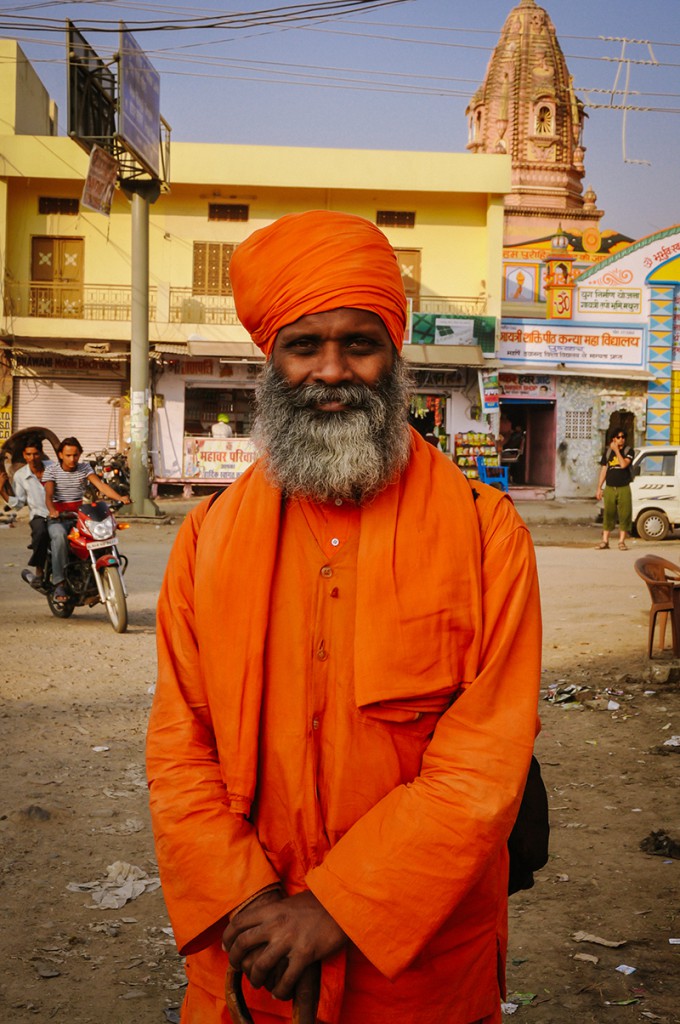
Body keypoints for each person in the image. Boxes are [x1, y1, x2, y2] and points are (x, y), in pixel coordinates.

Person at [147, 210, 542, 1024]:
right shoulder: (208, 537)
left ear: (395, 358)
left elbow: (483, 764)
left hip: (416, 970)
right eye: (303, 346)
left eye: (359, 344)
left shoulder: (483, 530)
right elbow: (180, 743)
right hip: (250, 951)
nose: (332, 371)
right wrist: (247, 899)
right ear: (270, 360)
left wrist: (336, 908)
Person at [43, 436, 130, 603]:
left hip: (79, 515)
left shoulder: (84, 468)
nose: (72, 459)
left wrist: (120, 498)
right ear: (60, 455)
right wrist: (52, 510)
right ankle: (59, 583)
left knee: (99, 537)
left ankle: (96, 576)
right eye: (68, 455)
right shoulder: (52, 470)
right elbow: (48, 495)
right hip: (59, 517)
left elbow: (101, 485)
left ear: (80, 454)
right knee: (59, 537)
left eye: (75, 455)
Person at [0, 434, 54, 588]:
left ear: (41, 453)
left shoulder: (53, 467)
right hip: (39, 515)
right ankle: (39, 571)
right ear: (24, 455)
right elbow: (19, 504)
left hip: (59, 513)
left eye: (36, 454)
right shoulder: (20, 475)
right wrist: (2, 490)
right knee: (40, 532)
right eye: (28, 454)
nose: (32, 458)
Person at [595, 427, 635, 550]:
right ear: (613, 438)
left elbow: (623, 465)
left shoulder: (629, 451)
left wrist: (617, 450)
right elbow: (604, 470)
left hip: (623, 487)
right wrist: (599, 487)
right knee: (608, 514)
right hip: (610, 487)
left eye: (623, 437)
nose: (621, 439)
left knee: (625, 514)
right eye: (618, 437)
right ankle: (605, 541)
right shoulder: (607, 453)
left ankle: (621, 541)